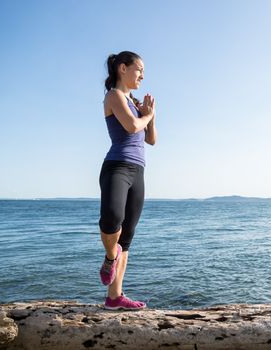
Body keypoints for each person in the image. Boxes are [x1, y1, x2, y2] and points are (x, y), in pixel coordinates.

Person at [98, 51, 156, 310]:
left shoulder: (133, 102)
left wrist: (150, 115)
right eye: (138, 69)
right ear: (123, 68)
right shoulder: (114, 96)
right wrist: (145, 117)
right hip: (117, 166)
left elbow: (150, 139)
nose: (142, 75)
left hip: (138, 170)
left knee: (127, 236)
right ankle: (111, 256)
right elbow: (133, 127)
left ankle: (114, 298)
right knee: (111, 220)